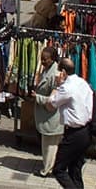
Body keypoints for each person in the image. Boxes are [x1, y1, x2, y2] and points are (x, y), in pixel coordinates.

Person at [46, 58, 94, 189]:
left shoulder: (66, 88)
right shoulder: (82, 83)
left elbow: (50, 105)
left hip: (74, 133)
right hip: (86, 131)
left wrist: (57, 86)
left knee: (59, 169)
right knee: (75, 169)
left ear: (63, 72)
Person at [31, 47, 65, 178]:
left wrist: (37, 97)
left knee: (50, 146)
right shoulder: (47, 70)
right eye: (41, 59)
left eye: (45, 59)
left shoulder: (55, 74)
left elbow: (54, 99)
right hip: (46, 116)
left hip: (52, 117)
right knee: (48, 145)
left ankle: (47, 170)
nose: (42, 61)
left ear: (52, 59)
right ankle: (49, 166)